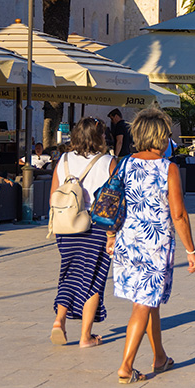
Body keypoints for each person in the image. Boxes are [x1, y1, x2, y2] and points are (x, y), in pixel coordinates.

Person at [107, 108, 195, 383]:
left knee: (149, 302)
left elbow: (113, 202)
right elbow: (179, 214)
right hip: (154, 244)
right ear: (161, 137)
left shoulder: (121, 164)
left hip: (126, 241)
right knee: (143, 304)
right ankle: (125, 366)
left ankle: (159, 356)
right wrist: (191, 251)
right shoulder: (167, 168)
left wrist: (111, 237)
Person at [50, 118, 117, 349]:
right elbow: (111, 202)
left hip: (66, 226)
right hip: (95, 228)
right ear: (100, 136)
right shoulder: (109, 162)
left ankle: (59, 321)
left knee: (69, 273)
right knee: (93, 279)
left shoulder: (64, 159)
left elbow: (54, 195)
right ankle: (85, 336)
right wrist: (112, 234)